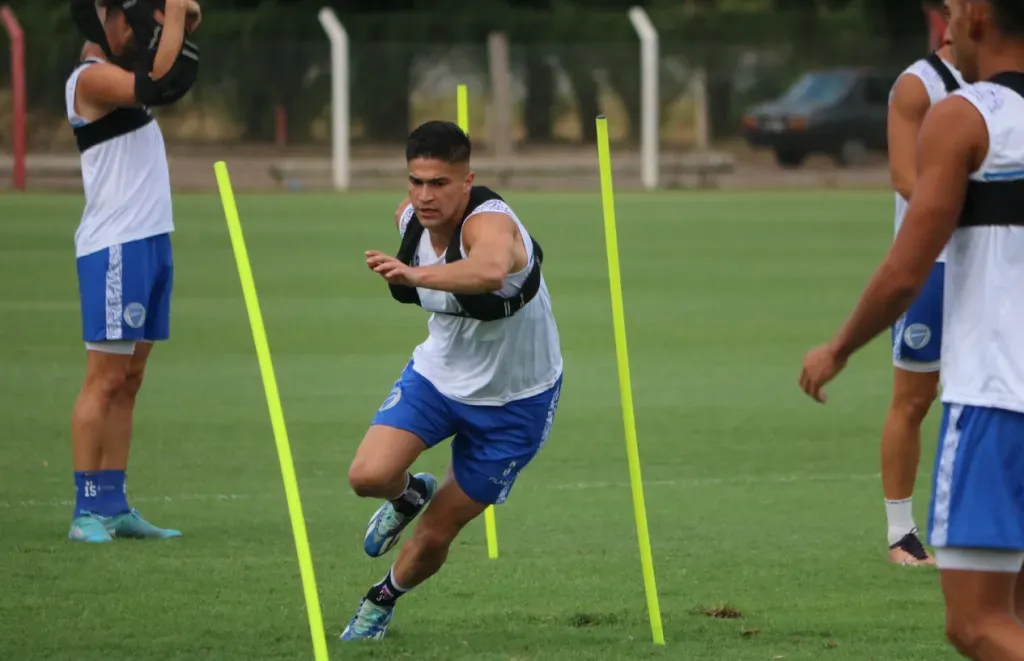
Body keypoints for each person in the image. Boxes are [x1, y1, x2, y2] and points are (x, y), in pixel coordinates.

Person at [800, 0, 1024, 656]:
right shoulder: (922, 88)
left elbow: (905, 269)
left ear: (979, 16)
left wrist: (838, 347)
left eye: (954, 8)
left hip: (999, 395)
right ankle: (901, 531)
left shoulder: (967, 116)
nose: (945, 21)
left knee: (977, 621)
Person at [340, 120, 564, 641]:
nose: (425, 196)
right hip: (438, 379)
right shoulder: (409, 222)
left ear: (468, 181)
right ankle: (405, 495)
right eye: (416, 181)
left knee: (439, 529)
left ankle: (382, 599)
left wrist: (413, 275)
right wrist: (412, 265)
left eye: (439, 183)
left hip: (517, 402)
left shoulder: (492, 227)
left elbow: (487, 272)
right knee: (366, 477)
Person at [66, 0, 200, 543]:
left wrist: (176, 15)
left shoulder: (115, 69)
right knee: (103, 379)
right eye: (124, 15)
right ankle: (85, 510)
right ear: (99, 21)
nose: (134, 25)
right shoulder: (92, 79)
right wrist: (170, 11)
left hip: (150, 240)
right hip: (116, 246)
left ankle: (115, 503)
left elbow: (179, 37)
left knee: (130, 380)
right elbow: (154, 81)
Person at [881, 4, 966, 566]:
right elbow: (908, 180)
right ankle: (901, 534)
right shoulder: (920, 86)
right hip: (931, 267)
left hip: (998, 268)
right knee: (914, 399)